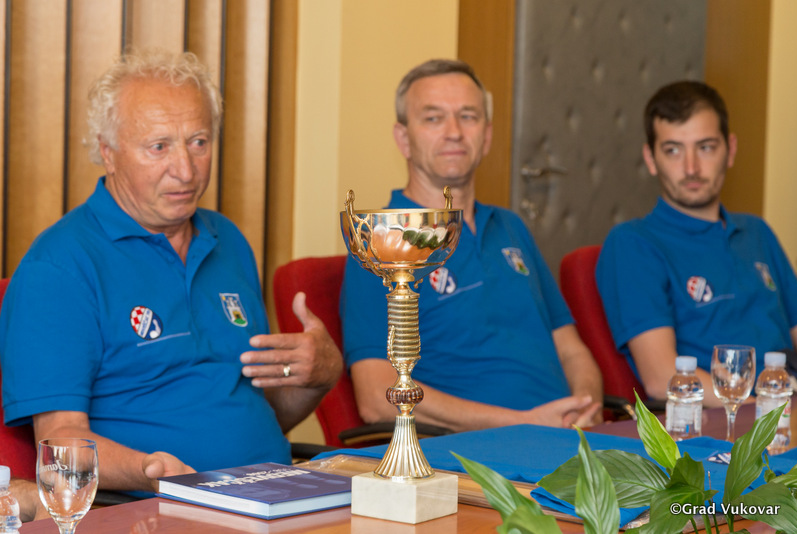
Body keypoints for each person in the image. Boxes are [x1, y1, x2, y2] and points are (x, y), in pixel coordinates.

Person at [0, 50, 342, 492]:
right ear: (108, 152)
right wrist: (150, 470)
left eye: (198, 142)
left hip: (269, 493)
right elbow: (59, 446)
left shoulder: (227, 239)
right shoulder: (59, 266)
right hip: (149, 509)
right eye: (158, 147)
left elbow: (253, 412)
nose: (185, 170)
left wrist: (318, 377)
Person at [340, 59, 603, 433]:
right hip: (478, 450)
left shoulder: (510, 226)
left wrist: (585, 407)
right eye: (433, 118)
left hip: (570, 436)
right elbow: (375, 395)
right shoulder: (382, 239)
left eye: (468, 116)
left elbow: (571, 349)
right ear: (403, 139)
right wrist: (523, 424)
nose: (454, 132)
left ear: (487, 135)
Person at [596, 80, 797, 405]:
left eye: (705, 147)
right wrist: (767, 412)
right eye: (673, 150)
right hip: (721, 419)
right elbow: (661, 377)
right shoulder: (633, 243)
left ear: (730, 150)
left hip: (788, 401)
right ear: (650, 158)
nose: (691, 168)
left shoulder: (757, 231)